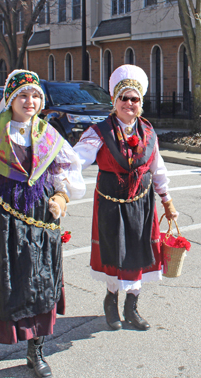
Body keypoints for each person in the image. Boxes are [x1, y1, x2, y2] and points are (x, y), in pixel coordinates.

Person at [0, 69, 86, 377]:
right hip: (3, 223)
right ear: (10, 100)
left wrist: (63, 196)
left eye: (36, 95)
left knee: (40, 283)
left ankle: (35, 353)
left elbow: (62, 172)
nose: (30, 101)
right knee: (1, 285)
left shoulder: (49, 134)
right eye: (23, 95)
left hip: (41, 222)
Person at [73, 64, 178, 331]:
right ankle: (111, 302)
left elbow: (158, 169)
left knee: (139, 252)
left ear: (140, 103)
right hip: (110, 202)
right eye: (123, 98)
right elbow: (74, 161)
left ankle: (132, 307)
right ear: (114, 101)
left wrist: (167, 201)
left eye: (134, 99)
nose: (128, 103)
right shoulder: (100, 132)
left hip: (142, 203)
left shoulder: (148, 133)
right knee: (114, 252)